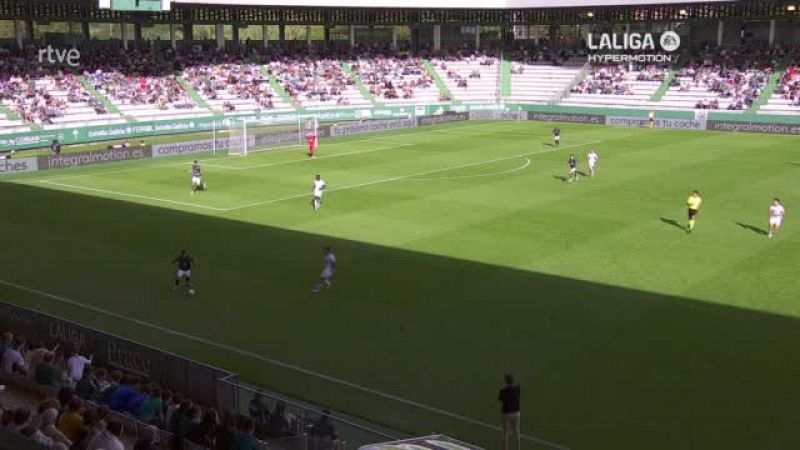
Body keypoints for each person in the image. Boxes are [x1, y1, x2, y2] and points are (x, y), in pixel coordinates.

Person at [498, 374, 521, 450]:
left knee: (506, 434)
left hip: (507, 413)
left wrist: (501, 414)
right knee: (517, 432)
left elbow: (501, 404)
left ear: (506, 381)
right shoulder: (517, 388)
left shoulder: (503, 391)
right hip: (516, 412)